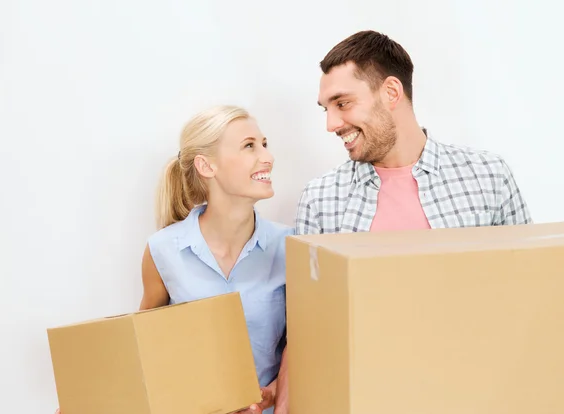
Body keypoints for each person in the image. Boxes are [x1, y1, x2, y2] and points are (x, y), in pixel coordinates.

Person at [273, 29, 532, 411]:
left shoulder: (488, 176)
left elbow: (529, 296)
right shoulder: (320, 199)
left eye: (342, 103)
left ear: (391, 93)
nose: (331, 124)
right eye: (325, 108)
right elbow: (306, 329)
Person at [54, 105, 292, 414]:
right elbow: (141, 351)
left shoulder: (292, 245)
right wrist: (89, 400)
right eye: (249, 146)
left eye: (264, 144)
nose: (267, 156)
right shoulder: (162, 250)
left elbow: (306, 345)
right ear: (207, 166)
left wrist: (272, 394)